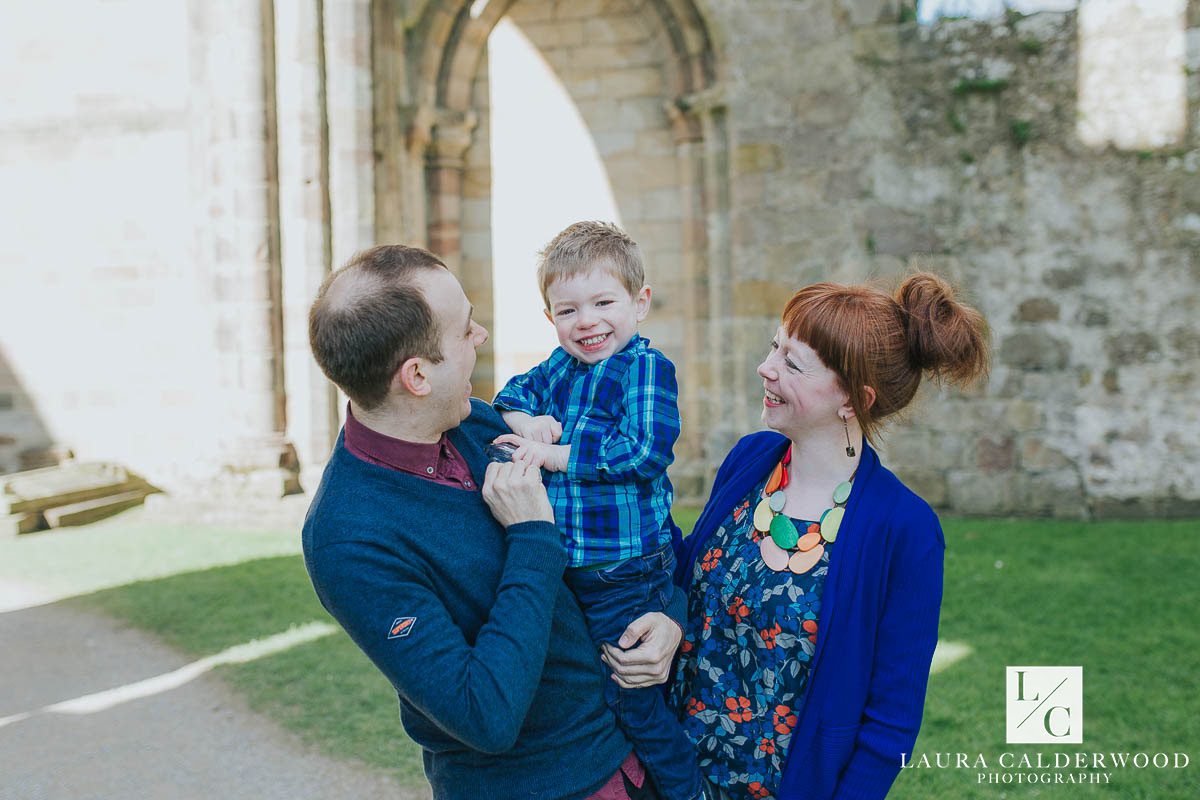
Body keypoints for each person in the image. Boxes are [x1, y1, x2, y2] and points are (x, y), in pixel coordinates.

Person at [301, 244, 685, 800]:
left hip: (633, 755)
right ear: (416, 375)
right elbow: (484, 716)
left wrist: (669, 613)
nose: (480, 336)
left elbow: (632, 522)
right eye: (464, 330)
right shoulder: (348, 536)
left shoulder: (477, 425)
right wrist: (532, 536)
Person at [609, 273, 989, 800]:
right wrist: (633, 494)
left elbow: (892, 724)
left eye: (792, 363)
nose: (765, 368)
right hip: (671, 773)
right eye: (774, 347)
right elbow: (685, 577)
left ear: (854, 400)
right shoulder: (750, 460)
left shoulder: (905, 529)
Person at [491, 221, 702, 800]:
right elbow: (508, 396)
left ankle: (687, 791)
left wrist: (552, 454)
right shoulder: (560, 369)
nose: (587, 322)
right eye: (567, 310)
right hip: (573, 569)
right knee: (583, 688)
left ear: (640, 302)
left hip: (625, 572)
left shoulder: (644, 368)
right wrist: (522, 421)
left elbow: (641, 451)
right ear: (551, 317)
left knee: (631, 698)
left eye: (604, 303)